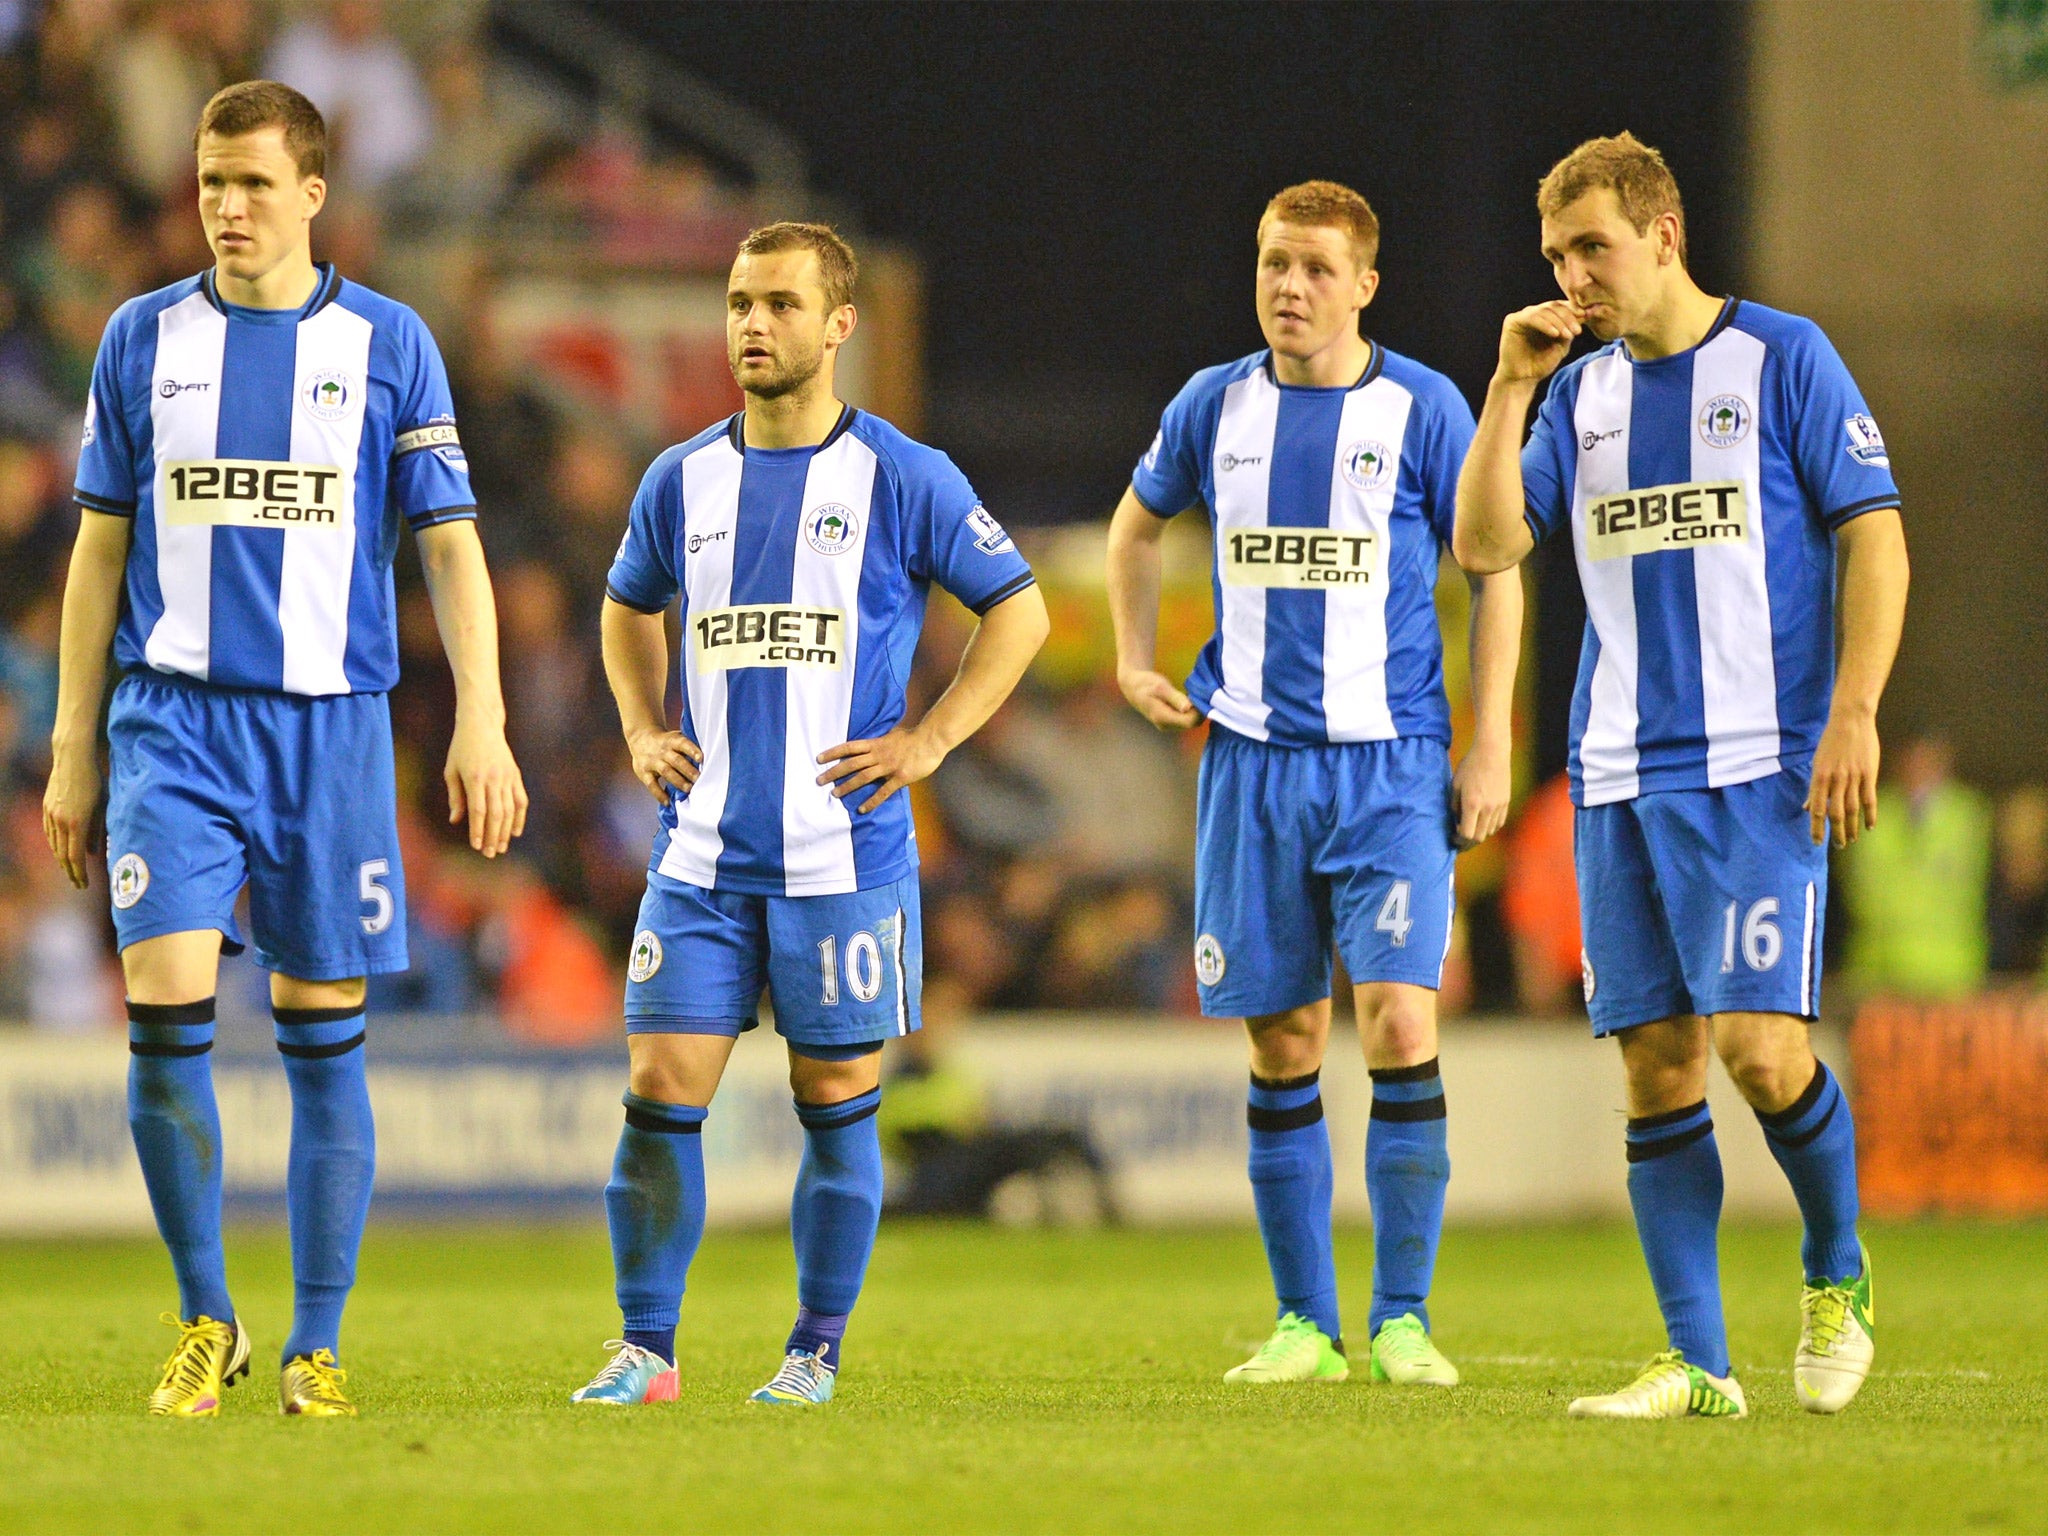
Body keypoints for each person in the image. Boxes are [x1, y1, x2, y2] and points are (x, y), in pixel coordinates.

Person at [41, 81, 526, 1418]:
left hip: (331, 732)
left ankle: (316, 1342)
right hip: (172, 725)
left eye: (254, 184)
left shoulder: (387, 342)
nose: (228, 209)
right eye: (210, 184)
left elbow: (449, 544)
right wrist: (74, 742)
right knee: (164, 1023)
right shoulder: (142, 340)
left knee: (325, 1041)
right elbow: (98, 551)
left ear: (314, 194)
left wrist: (479, 717)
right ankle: (208, 1317)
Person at [1453, 133, 1910, 1419]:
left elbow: (1873, 541)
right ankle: (1697, 1363)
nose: (1572, 274)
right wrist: (1505, 392)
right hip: (1614, 779)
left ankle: (1835, 1272)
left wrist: (1854, 710)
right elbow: (1489, 543)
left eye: (1590, 245)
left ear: (1663, 233)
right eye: (1554, 254)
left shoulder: (1782, 358)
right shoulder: (1578, 395)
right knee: (1656, 1065)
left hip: (1760, 768)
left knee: (1761, 1055)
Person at [570, 222, 1048, 1408]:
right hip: (703, 849)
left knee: (834, 1100)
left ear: (840, 325)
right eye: (738, 301)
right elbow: (627, 606)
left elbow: (1020, 611)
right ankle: (647, 1348)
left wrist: (929, 739)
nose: (750, 324)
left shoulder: (901, 474)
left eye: (779, 303)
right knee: (658, 1084)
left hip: (842, 851)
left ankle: (813, 1351)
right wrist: (640, 723)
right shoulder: (681, 476)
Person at [1105, 181, 1521, 1388]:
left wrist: (1485, 741)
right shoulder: (1211, 406)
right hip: (1248, 764)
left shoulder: (1424, 410)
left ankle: (1399, 1319)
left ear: (1364, 285)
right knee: (1281, 1040)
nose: (1289, 287)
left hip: (1389, 763)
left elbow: (1496, 573)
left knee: (1397, 1019)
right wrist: (1132, 659)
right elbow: (1133, 530)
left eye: (1315, 269)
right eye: (1273, 263)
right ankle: (1302, 1324)